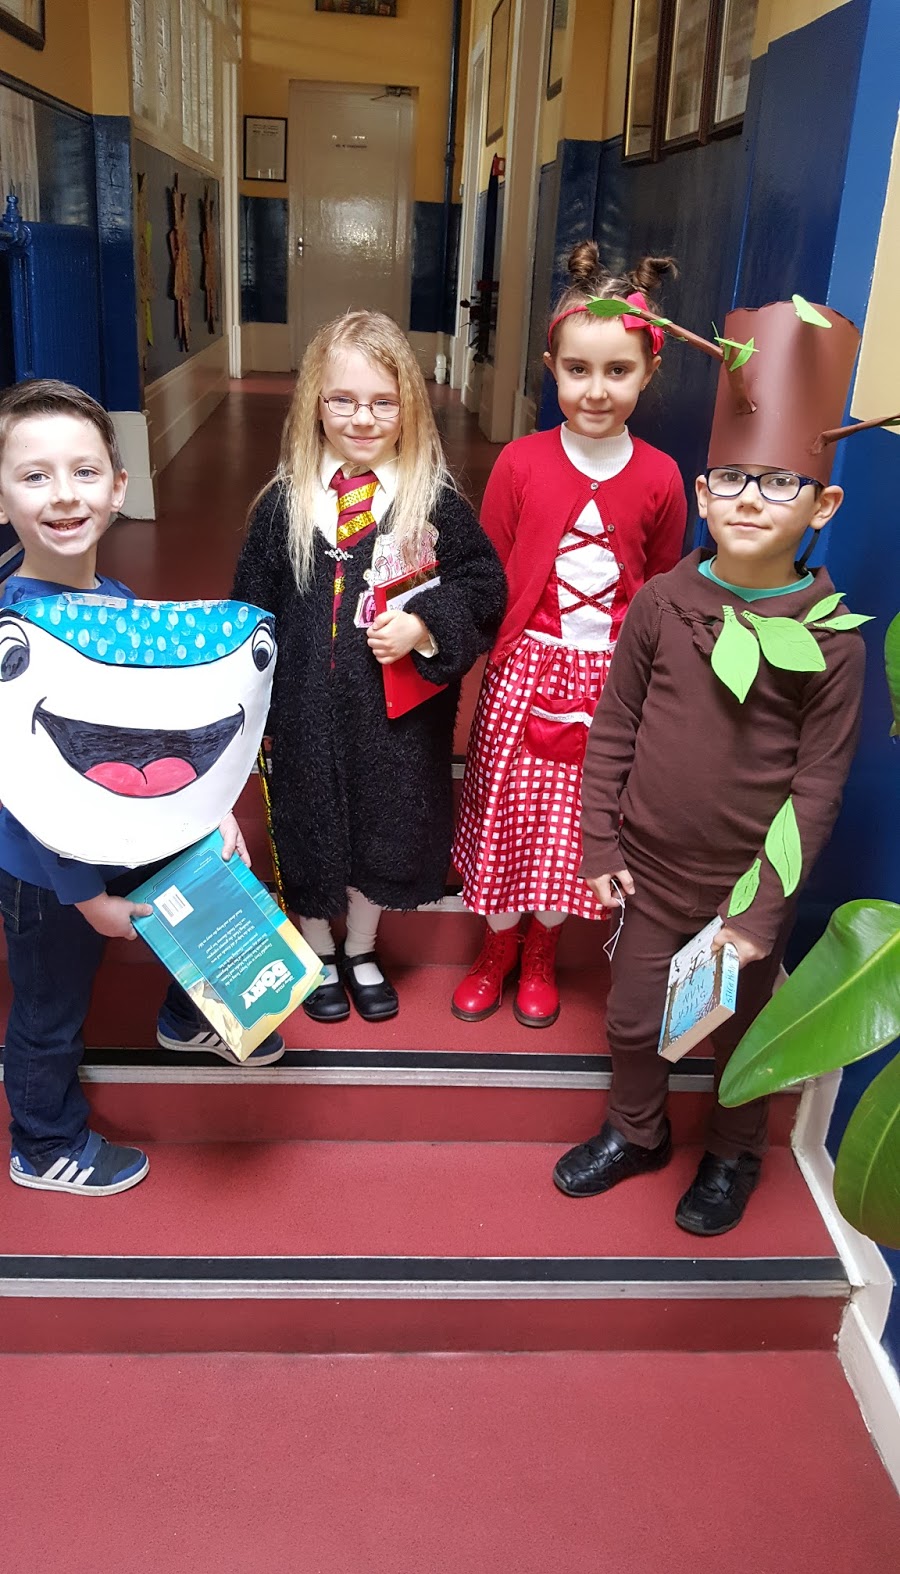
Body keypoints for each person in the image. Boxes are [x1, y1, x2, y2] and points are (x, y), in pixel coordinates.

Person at [553, 296, 874, 1235]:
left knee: (741, 1037)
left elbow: (816, 787)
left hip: (746, 887)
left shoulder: (834, 643)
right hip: (649, 872)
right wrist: (598, 842)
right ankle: (636, 1130)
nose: (749, 499)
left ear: (823, 505)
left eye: (778, 483)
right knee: (631, 1019)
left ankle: (734, 1154)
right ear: (702, 494)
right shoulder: (662, 603)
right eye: (732, 478)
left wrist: (762, 912)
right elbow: (615, 726)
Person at [0, 378, 281, 1198]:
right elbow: (29, 796)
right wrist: (87, 897)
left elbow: (159, 734)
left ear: (119, 488)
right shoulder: (15, 633)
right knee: (49, 1010)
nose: (64, 494)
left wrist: (211, 810)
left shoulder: (118, 605)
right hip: (45, 876)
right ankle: (43, 1143)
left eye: (85, 472)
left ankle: (193, 1015)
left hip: (126, 824)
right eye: (35, 475)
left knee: (215, 876)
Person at [232, 310, 506, 1023]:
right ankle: (318, 947)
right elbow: (248, 610)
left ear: (409, 406)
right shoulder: (285, 506)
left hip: (395, 721)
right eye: (343, 400)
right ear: (314, 403)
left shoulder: (432, 501)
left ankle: (359, 946)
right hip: (303, 713)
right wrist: (248, 707)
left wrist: (425, 624)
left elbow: (483, 586)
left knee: (384, 831)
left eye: (384, 402)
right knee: (309, 827)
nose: (363, 418)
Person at [451, 243, 687, 1028]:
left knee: (570, 828)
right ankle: (496, 946)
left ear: (648, 372)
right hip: (523, 674)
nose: (596, 389)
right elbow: (487, 571)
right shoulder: (520, 463)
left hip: (610, 685)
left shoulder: (661, 476)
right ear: (552, 367)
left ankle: (542, 952)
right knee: (508, 816)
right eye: (578, 369)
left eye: (618, 371)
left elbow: (659, 587)